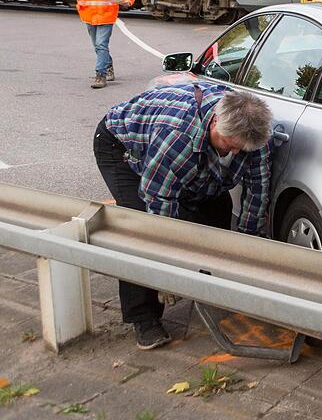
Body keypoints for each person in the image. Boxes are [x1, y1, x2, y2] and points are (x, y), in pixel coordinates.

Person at [94, 82, 274, 350]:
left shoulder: (252, 135)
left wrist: (248, 245)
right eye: (229, 145)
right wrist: (164, 268)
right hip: (122, 147)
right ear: (214, 124)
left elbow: (257, 191)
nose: (235, 153)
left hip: (184, 155)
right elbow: (160, 207)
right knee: (139, 226)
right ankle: (144, 317)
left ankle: (209, 289)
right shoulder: (177, 137)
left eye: (241, 150)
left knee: (217, 208)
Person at [61, 0, 135, 89]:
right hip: (88, 14)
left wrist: (127, 1)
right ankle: (108, 67)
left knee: (101, 44)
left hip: (106, 14)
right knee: (98, 46)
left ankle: (100, 76)